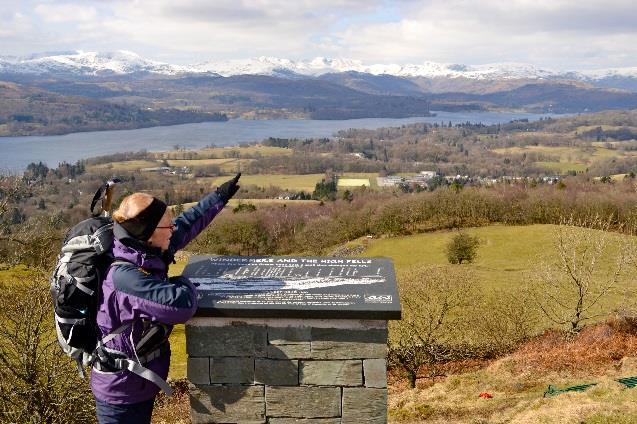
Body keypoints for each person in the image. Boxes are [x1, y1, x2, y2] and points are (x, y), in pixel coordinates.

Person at [90, 174, 240, 424]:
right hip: (120, 394)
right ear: (148, 232)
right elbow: (180, 305)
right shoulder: (125, 277)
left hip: (140, 382)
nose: (172, 229)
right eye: (166, 226)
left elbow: (188, 223)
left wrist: (220, 195)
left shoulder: (147, 248)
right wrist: (181, 281)